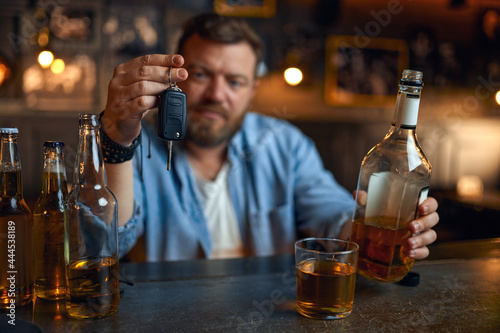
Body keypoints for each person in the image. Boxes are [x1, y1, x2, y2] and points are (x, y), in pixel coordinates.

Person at [100, 13, 439, 262]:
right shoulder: (135, 145)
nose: (217, 94)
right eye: (201, 74)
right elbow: (105, 244)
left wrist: (374, 231)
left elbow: (332, 212)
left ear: (253, 90)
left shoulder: (284, 144)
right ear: (176, 79)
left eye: (234, 81)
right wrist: (117, 140)